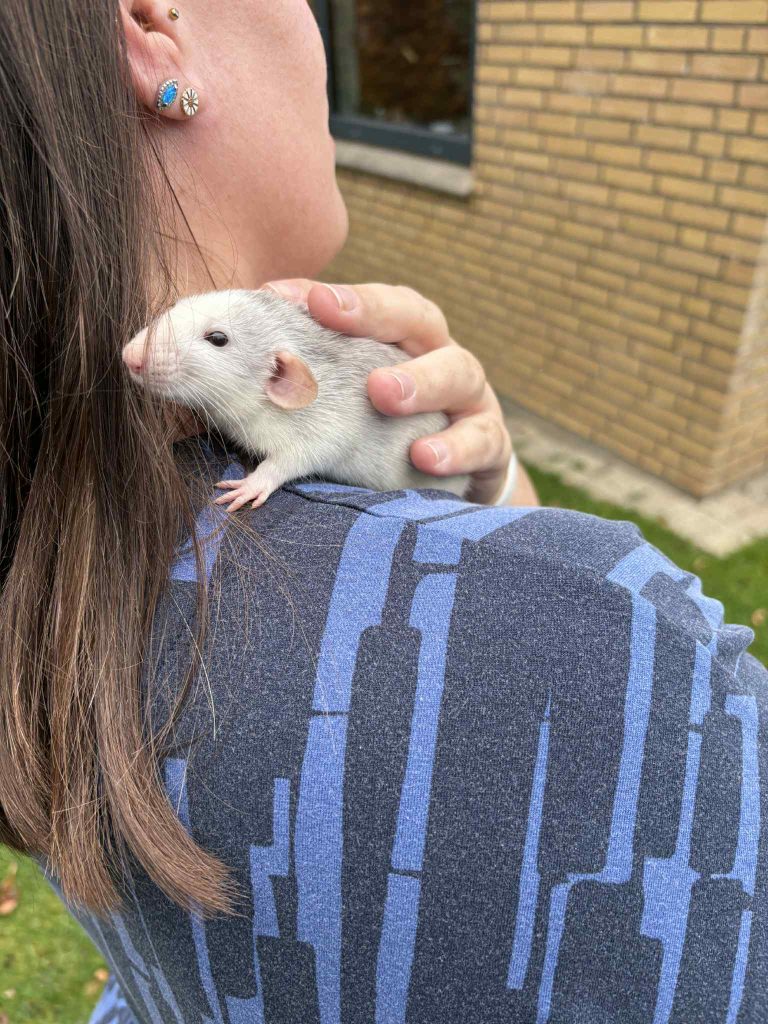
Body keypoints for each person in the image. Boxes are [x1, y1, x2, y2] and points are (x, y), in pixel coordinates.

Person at [0, 2, 764, 1022]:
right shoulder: (616, 645)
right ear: (153, 30)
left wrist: (492, 487)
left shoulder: (43, 565)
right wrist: (514, 540)